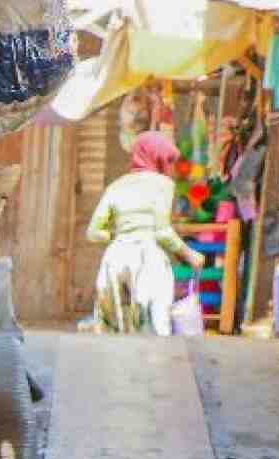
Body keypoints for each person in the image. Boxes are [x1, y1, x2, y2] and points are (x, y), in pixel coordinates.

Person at [85, 130, 203, 335]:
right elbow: (162, 232)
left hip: (114, 261)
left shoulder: (116, 186)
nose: (170, 167)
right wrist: (189, 254)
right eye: (168, 160)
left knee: (116, 336)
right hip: (148, 264)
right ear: (157, 157)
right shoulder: (163, 184)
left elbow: (94, 232)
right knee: (154, 334)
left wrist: (120, 235)